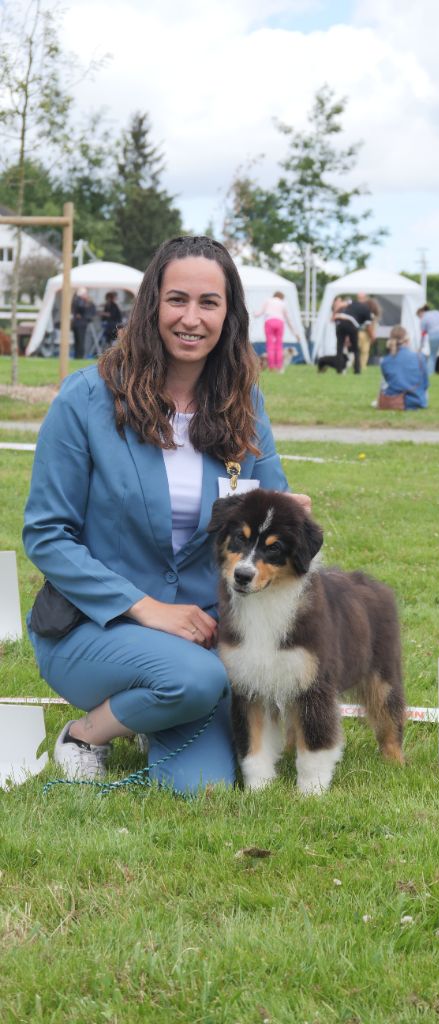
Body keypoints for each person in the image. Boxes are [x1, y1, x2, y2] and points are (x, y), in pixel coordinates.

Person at [23, 235, 310, 796]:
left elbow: (268, 504)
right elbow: (47, 535)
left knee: (200, 787)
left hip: (202, 635)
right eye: (177, 299)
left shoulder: (244, 404)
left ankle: (153, 712)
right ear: (152, 302)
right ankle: (86, 734)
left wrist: (291, 511)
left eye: (210, 303)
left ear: (229, 315)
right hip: (94, 627)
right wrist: (149, 609)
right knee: (195, 678)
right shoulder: (84, 398)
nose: (191, 318)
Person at [375, 325, 428, 409]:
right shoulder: (420, 357)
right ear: (408, 340)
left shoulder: (385, 361)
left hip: (393, 400)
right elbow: (425, 384)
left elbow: (386, 383)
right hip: (416, 401)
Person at [253, 291, 300, 372]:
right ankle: (279, 366)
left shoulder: (268, 301)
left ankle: (271, 367)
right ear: (281, 297)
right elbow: (288, 319)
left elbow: (259, 313)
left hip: (269, 322)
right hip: (280, 323)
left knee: (270, 345)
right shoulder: (283, 303)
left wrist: (254, 313)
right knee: (279, 346)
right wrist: (295, 333)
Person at [333, 292, 373, 374]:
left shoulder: (351, 302)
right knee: (356, 349)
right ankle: (357, 370)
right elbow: (368, 325)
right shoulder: (366, 309)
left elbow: (340, 305)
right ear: (365, 299)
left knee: (339, 347)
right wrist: (372, 336)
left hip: (341, 321)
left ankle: (339, 369)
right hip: (352, 324)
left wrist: (334, 314)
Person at [71, 287, 96, 359]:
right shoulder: (79, 300)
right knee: (80, 340)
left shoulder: (77, 300)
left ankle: (78, 355)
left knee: (79, 340)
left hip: (79, 323)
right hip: (80, 323)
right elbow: (81, 308)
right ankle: (79, 355)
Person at [357, 297, 381, 371]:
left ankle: (355, 365)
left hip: (357, 332)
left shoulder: (361, 311)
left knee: (357, 350)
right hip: (365, 334)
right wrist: (372, 336)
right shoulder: (371, 314)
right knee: (364, 352)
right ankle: (362, 366)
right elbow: (369, 326)